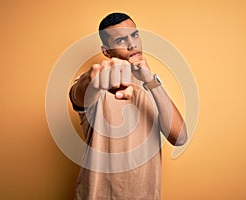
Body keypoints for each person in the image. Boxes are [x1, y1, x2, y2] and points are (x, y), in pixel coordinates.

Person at [69, 12, 187, 200]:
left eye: (135, 35)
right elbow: (79, 94)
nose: (133, 44)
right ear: (107, 51)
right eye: (122, 40)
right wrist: (92, 80)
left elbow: (179, 138)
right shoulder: (97, 83)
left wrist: (150, 81)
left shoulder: (153, 88)